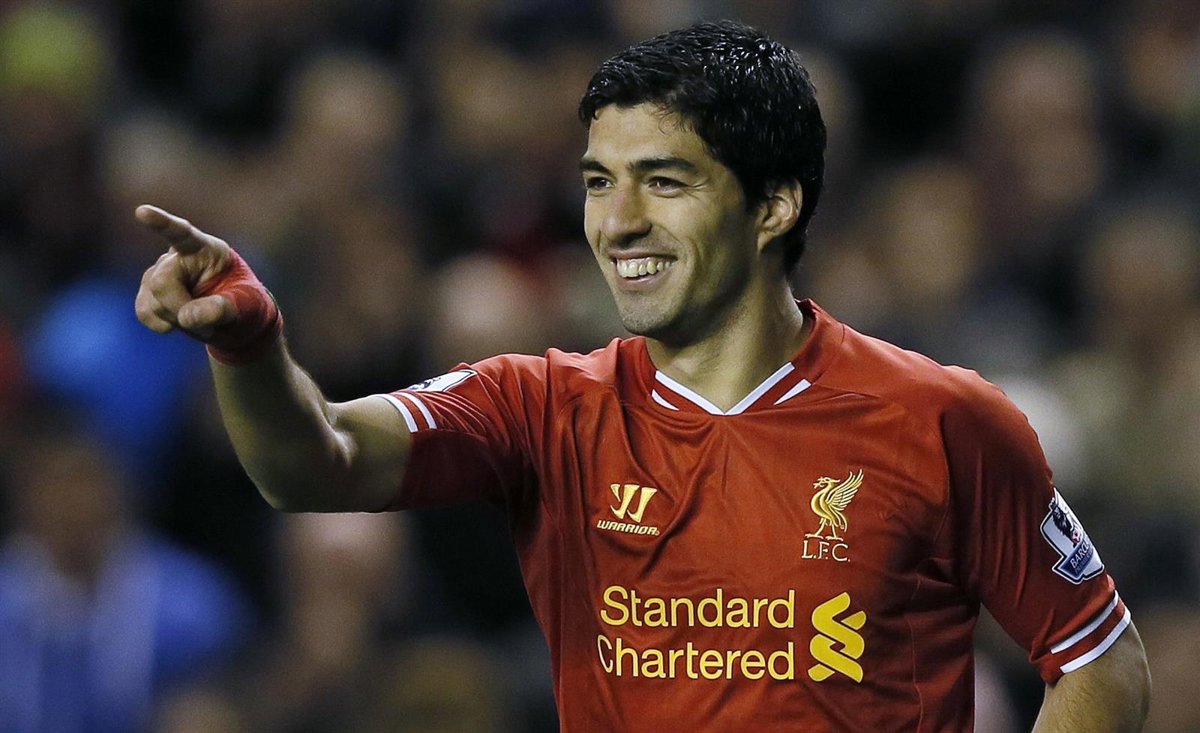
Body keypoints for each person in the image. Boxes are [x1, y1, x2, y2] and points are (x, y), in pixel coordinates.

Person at [132, 20, 1150, 732]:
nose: (617, 224)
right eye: (598, 183)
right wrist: (250, 346)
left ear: (774, 204)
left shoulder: (944, 420)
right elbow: (314, 462)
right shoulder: (539, 406)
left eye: (662, 182)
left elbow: (1099, 659)